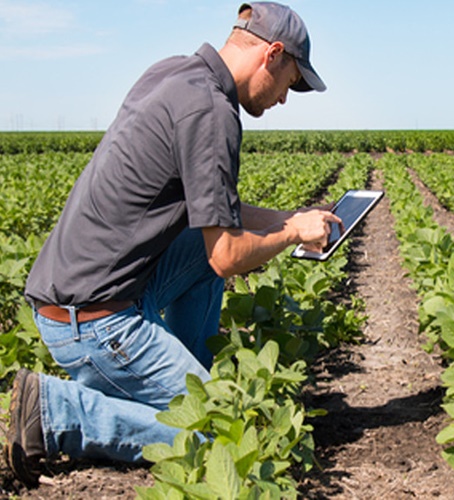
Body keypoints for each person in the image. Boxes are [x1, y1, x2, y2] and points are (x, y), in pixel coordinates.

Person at [5, 1, 339, 486]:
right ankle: (59, 413)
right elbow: (226, 255)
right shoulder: (211, 113)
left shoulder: (174, 75)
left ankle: (184, 379)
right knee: (221, 437)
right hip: (94, 323)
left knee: (200, 248)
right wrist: (291, 235)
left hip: (78, 296)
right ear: (273, 54)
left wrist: (293, 217)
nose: (285, 99)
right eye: (291, 81)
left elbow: (218, 214)